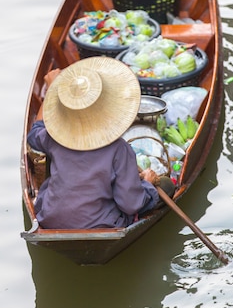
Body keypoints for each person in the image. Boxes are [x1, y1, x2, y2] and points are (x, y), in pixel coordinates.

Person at [27, 56, 175, 229]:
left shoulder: (54, 138)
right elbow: (131, 204)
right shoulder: (119, 148)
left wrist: (51, 91)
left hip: (49, 218)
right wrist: (148, 184)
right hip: (102, 224)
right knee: (166, 186)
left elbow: (34, 134)